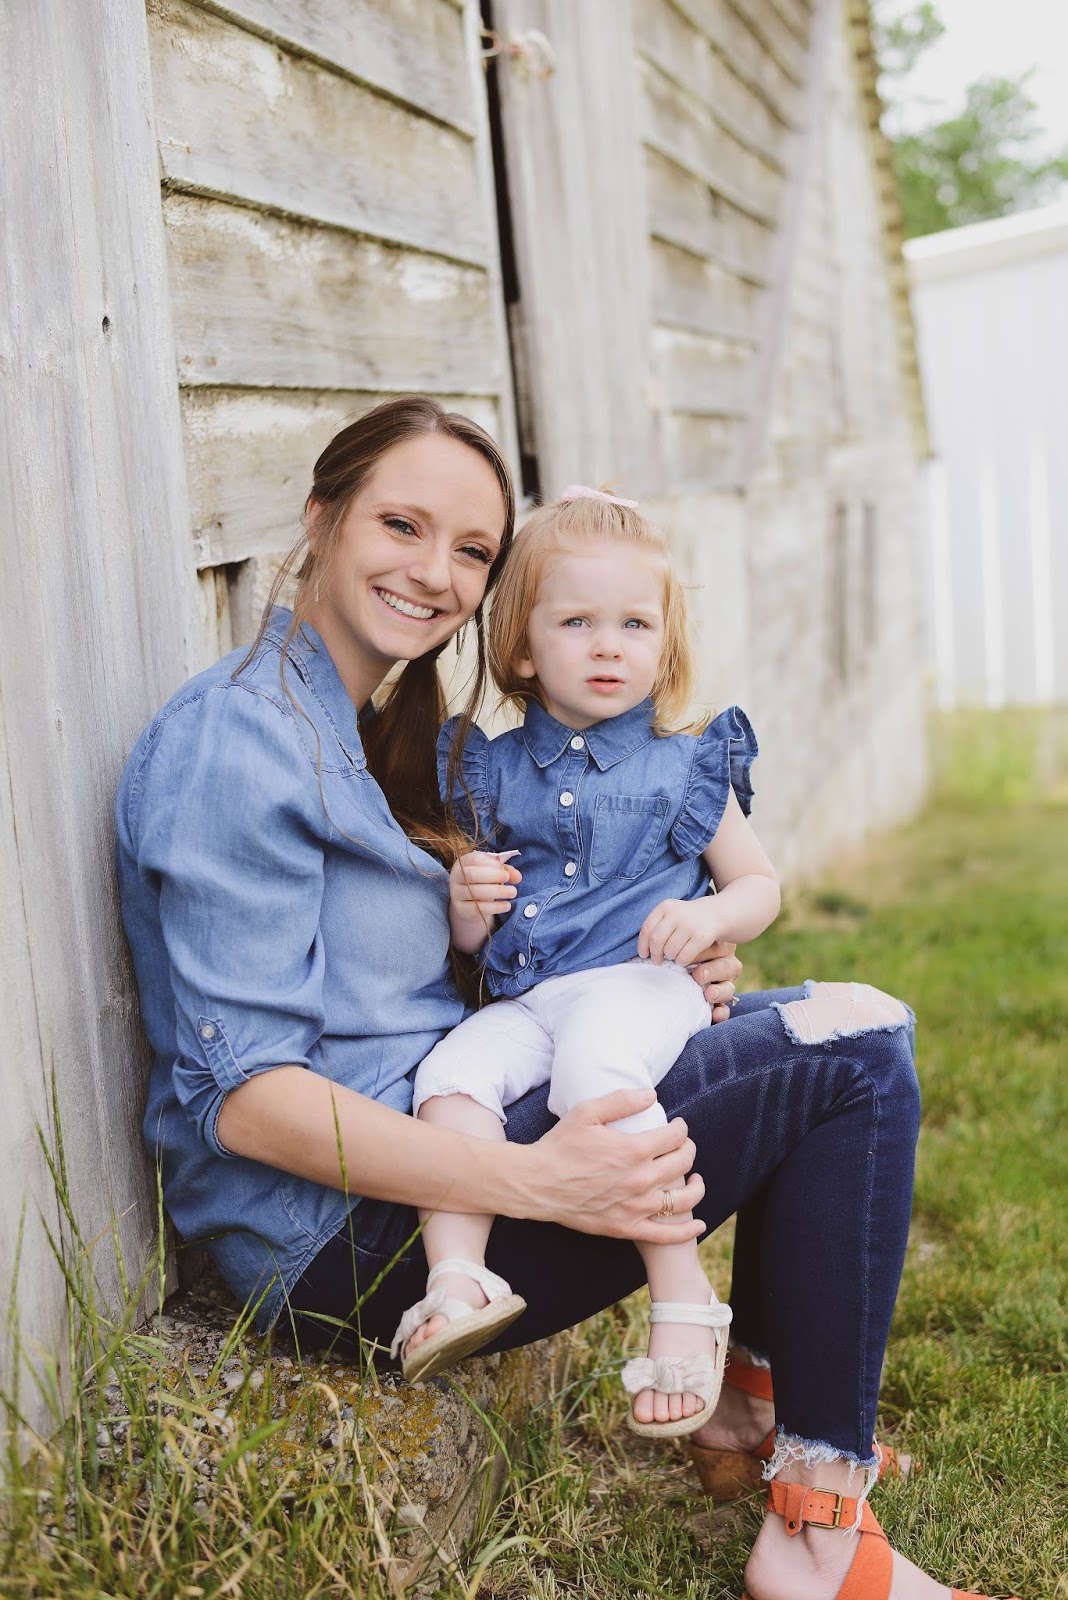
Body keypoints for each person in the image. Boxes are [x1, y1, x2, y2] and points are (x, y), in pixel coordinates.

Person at [116, 396, 1016, 1600]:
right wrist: (538, 1181)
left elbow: (409, 982)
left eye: (471, 549)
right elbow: (248, 1102)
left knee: (837, 1023)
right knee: (850, 1051)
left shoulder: (362, 723)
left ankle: (756, 1405)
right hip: (346, 1242)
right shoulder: (240, 738)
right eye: (400, 525)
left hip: (445, 1137)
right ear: (322, 518)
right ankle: (813, 1533)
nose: (433, 572)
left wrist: (664, 966)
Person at [394, 486, 781, 1448]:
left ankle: (681, 1289)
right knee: (449, 1075)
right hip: (532, 996)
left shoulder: (682, 765)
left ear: (664, 644)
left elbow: (759, 886)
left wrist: (707, 916)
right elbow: (472, 948)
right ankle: (459, 1277)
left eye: (634, 625)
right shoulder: (488, 769)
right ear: (524, 648)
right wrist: (467, 903)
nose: (609, 647)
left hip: (643, 983)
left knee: (594, 1071)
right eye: (577, 623)